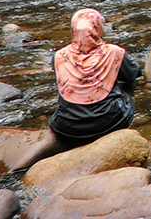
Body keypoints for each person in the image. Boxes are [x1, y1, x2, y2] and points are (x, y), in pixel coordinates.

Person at [49, 9, 141, 146]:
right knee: (127, 82)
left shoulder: (59, 56)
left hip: (67, 128)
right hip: (110, 123)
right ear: (98, 28)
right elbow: (134, 73)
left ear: (73, 30)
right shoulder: (114, 52)